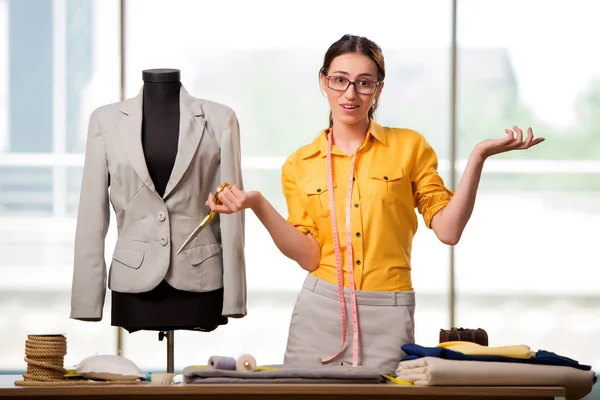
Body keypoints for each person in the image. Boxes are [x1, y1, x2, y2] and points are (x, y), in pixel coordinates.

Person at [205, 34, 544, 374]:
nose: (350, 94)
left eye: (364, 83)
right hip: (319, 309)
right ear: (324, 81)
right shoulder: (299, 164)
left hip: (388, 312)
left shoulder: (409, 147)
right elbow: (309, 256)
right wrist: (258, 204)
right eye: (340, 80)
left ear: (379, 89)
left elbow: (449, 230)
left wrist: (478, 157)